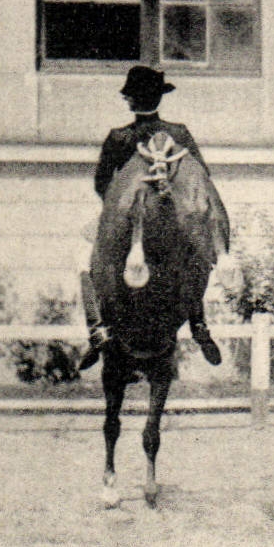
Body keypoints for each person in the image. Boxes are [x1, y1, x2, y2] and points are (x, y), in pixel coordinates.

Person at [81, 65, 220, 369]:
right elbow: (201, 175)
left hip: (127, 221)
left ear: (130, 101)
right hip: (173, 218)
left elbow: (101, 183)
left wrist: (121, 211)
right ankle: (199, 325)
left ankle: (97, 329)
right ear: (160, 98)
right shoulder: (179, 133)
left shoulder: (119, 137)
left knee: (84, 262)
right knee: (196, 258)